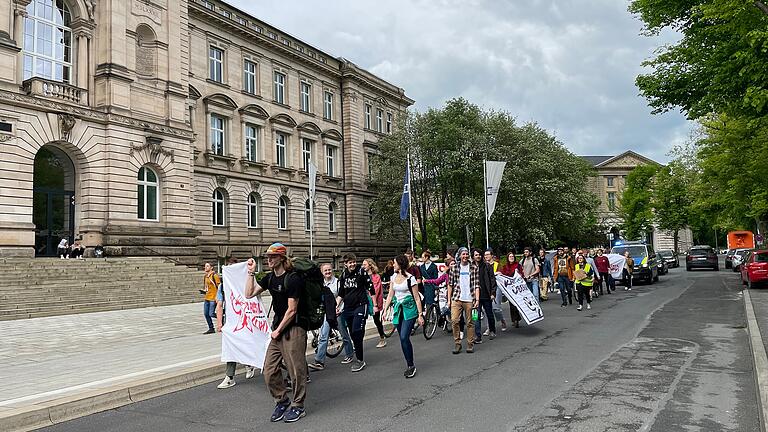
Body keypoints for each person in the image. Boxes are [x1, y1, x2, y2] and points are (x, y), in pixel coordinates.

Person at [245, 243, 307, 423]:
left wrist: (278, 330)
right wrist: (251, 272)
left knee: (296, 370)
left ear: (281, 258)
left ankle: (298, 405)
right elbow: (249, 294)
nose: (268, 260)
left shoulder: (293, 278)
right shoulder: (270, 278)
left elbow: (292, 310)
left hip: (294, 328)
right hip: (278, 330)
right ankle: (282, 400)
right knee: (269, 370)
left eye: (272, 257)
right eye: (267, 257)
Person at [215, 257, 256, 389]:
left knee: (246, 343)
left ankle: (249, 363)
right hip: (231, 321)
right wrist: (220, 323)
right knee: (230, 347)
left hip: (246, 319)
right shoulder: (223, 286)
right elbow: (220, 305)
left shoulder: (245, 282)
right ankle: (230, 376)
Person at [382, 255, 424, 378]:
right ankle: (409, 363)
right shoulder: (393, 277)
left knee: (405, 336)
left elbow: (417, 298)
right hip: (398, 310)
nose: (393, 265)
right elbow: (390, 295)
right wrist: (385, 311)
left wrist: (420, 315)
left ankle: (411, 366)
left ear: (400, 264)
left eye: (394, 263)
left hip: (409, 309)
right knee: (402, 338)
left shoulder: (411, 278)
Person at [308, 263, 354, 371]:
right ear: (322, 273)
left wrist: (337, 307)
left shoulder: (337, 282)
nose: (328, 272)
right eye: (325, 271)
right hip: (327, 313)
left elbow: (342, 295)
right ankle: (319, 361)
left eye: (329, 270)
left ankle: (350, 353)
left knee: (344, 334)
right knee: (323, 336)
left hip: (338, 311)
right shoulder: (320, 284)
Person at [337, 253, 372, 372]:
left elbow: (370, 288)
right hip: (348, 308)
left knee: (356, 331)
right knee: (353, 332)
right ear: (345, 264)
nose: (352, 264)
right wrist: (336, 306)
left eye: (353, 262)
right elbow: (341, 293)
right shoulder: (343, 276)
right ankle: (358, 346)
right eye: (349, 262)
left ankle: (360, 360)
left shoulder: (361, 272)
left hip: (361, 305)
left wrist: (376, 304)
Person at [447, 247, 479, 354]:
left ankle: (470, 343)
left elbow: (476, 285)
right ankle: (457, 343)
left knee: (470, 322)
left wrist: (477, 299)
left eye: (466, 254)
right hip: (457, 298)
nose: (465, 256)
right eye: (463, 254)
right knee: (455, 320)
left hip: (470, 299)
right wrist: (449, 299)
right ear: (459, 256)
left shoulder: (473, 268)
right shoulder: (454, 268)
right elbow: (450, 285)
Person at [473, 249, 497, 343]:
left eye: (479, 254)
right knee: (475, 316)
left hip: (486, 295)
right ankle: (477, 335)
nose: (478, 256)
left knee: (489, 314)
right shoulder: (471, 267)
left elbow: (492, 280)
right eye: (476, 255)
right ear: (473, 256)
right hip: (475, 297)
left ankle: (492, 330)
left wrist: (492, 293)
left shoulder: (487, 266)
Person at [363, 259, 387, 348]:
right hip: (364, 301)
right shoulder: (363, 275)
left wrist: (374, 303)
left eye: (364, 264)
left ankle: (382, 338)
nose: (363, 266)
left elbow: (376, 290)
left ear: (370, 265)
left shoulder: (376, 276)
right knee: (362, 322)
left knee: (376, 320)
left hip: (374, 301)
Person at [499, 252, 523, 328]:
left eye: (512, 256)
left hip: (517, 287)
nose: (511, 257)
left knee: (517, 304)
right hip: (509, 288)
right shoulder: (505, 266)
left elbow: (522, 274)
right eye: (510, 256)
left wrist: (519, 274)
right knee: (512, 305)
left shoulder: (518, 265)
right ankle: (514, 320)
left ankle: (517, 318)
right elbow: (503, 275)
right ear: (508, 258)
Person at [202, 262, 220, 334]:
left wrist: (218, 296)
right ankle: (211, 328)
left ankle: (221, 318)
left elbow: (219, 286)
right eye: (205, 266)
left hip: (213, 297)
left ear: (211, 267)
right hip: (207, 297)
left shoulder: (214, 276)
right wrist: (204, 291)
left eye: (207, 266)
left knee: (211, 313)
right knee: (206, 314)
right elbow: (207, 287)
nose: (205, 267)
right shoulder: (205, 276)